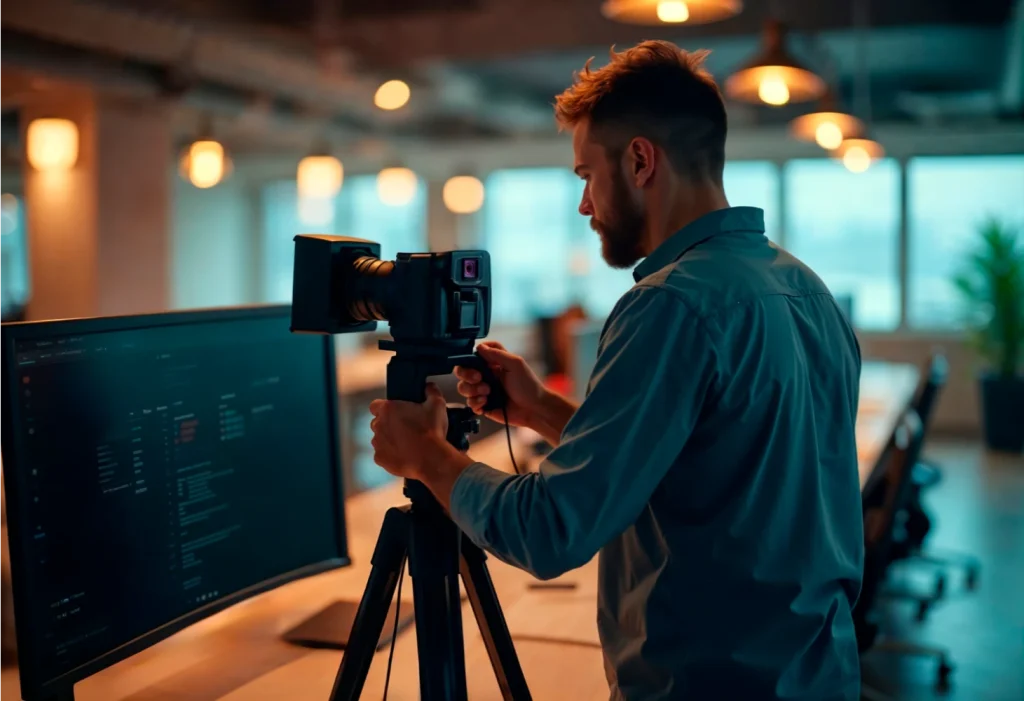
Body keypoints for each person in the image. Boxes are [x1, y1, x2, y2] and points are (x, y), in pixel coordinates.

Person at [368, 40, 863, 701]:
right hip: (814, 674)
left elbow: (551, 530)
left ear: (638, 161)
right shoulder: (805, 288)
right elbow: (699, 464)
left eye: (584, 176)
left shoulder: (669, 304)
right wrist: (540, 408)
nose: (583, 204)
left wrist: (426, 456)